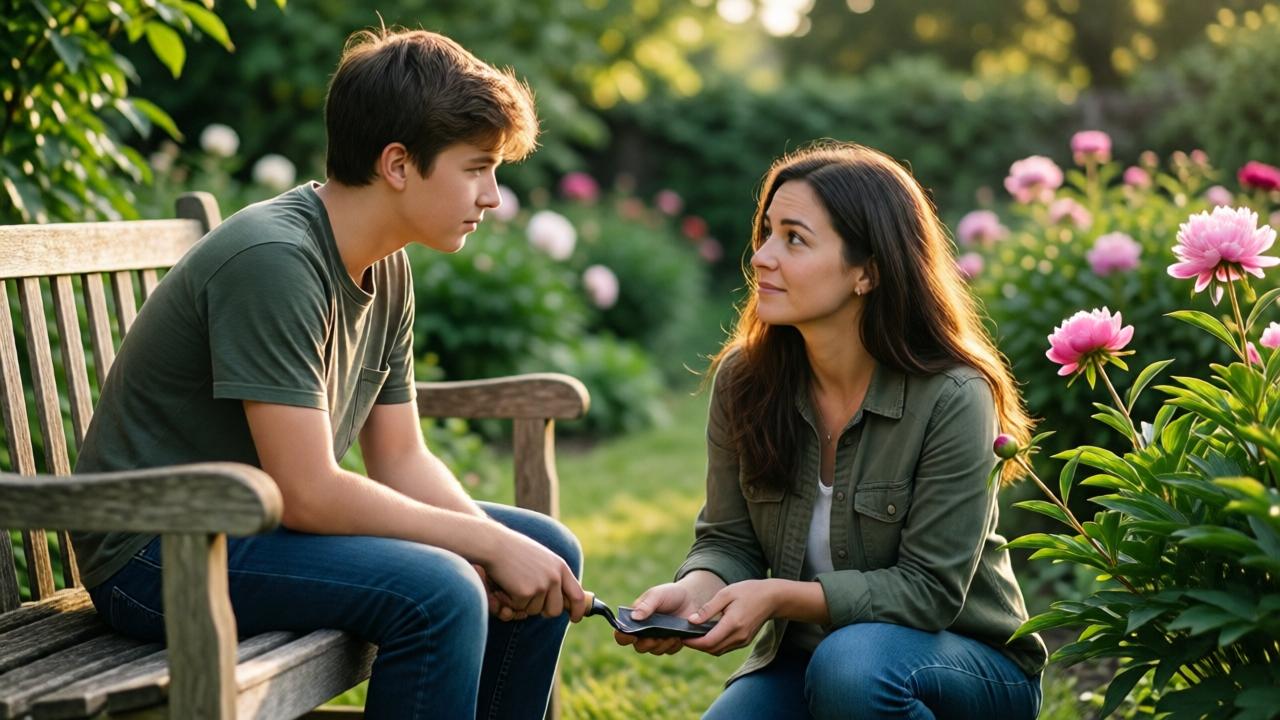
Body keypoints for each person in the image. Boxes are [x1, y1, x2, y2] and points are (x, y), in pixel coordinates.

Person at [70, 27, 589, 719]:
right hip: (158, 552)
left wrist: (501, 549)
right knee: (442, 592)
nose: (493, 196)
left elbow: (401, 458)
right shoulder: (276, 260)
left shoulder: (387, 264)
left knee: (545, 546)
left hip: (248, 529)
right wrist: (484, 545)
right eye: (476, 167)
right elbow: (309, 491)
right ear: (399, 164)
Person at [614, 142, 1048, 719]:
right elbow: (728, 540)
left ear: (867, 271)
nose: (763, 257)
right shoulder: (745, 379)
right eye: (766, 232)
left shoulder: (954, 396)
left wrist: (777, 598)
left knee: (851, 667)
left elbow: (929, 594)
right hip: (807, 660)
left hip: (965, 666)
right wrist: (692, 593)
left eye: (794, 238)